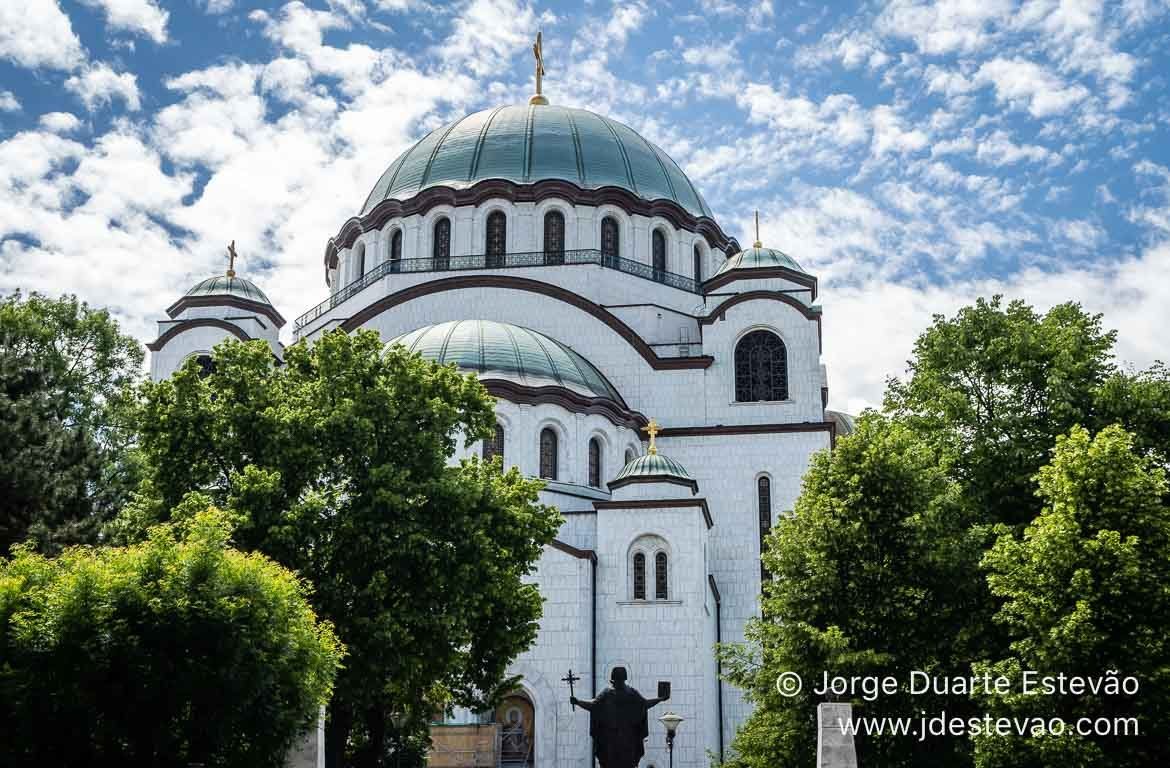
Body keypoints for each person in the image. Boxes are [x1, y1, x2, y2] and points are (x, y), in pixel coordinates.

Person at [570, 667, 669, 768]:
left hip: (621, 742)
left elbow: (644, 704)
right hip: (615, 742)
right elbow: (594, 706)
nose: (617, 682)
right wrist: (578, 702)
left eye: (618, 680)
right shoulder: (615, 693)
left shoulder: (621, 693)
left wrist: (578, 702)